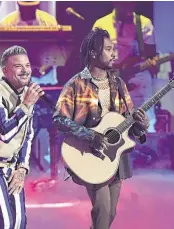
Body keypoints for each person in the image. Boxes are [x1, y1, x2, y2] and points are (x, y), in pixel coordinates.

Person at [53, 28, 150, 229]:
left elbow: (127, 123)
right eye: (108, 49)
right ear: (93, 53)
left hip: (115, 157)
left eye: (113, 48)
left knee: (109, 214)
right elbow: (59, 119)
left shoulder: (119, 84)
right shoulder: (76, 84)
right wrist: (90, 135)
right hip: (89, 155)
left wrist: (141, 126)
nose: (114, 53)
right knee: (103, 209)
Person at [0, 45, 44, 229]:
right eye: (18, 66)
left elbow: (27, 135)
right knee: (4, 224)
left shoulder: (26, 93)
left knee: (19, 223)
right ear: (5, 71)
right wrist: (26, 105)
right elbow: (4, 133)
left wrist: (22, 168)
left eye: (27, 65)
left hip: (13, 166)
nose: (25, 71)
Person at [92, 2, 157, 132]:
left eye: (131, 3)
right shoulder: (101, 25)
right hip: (110, 79)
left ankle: (145, 148)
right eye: (124, 3)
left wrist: (151, 63)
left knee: (143, 122)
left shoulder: (143, 23)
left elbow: (151, 54)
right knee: (109, 123)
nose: (128, 7)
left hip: (137, 79)